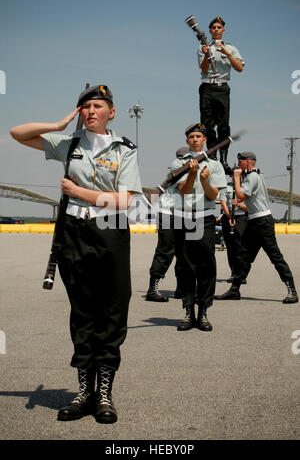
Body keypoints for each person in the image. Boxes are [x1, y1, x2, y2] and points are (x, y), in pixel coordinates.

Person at [10, 84, 143, 423]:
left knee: (112, 313)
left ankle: (105, 396)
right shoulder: (69, 145)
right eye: (85, 107)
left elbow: (126, 201)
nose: (91, 111)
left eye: (98, 106)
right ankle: (84, 393)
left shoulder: (124, 149)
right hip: (74, 235)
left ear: (111, 111)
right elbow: (17, 133)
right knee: (83, 314)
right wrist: (56, 126)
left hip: (110, 234)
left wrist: (78, 190)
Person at [214, 152, 298, 304]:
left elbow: (239, 196)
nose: (238, 163)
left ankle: (291, 289)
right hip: (253, 221)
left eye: (241, 161)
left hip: (262, 222)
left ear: (249, 162)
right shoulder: (253, 175)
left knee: (275, 256)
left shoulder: (252, 177)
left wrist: (237, 178)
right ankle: (234, 290)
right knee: (243, 257)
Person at [171, 122, 227, 331]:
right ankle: (188, 311)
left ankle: (203, 311)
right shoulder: (178, 164)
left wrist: (204, 181)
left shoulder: (214, 166)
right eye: (191, 137)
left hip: (205, 217)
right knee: (185, 265)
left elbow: (214, 195)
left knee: (206, 265)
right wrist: (193, 174)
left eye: (198, 137)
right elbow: (183, 190)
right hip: (184, 217)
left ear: (205, 140)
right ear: (187, 140)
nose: (194, 140)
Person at [197, 16, 244, 171]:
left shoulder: (230, 47)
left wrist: (227, 53)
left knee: (223, 126)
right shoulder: (203, 46)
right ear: (210, 30)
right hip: (207, 87)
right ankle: (212, 156)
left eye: (219, 27)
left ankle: (223, 159)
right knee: (207, 126)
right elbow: (203, 69)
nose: (216, 30)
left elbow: (240, 68)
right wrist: (205, 54)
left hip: (222, 88)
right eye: (213, 27)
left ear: (223, 30)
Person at [145, 147, 188, 302]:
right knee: (166, 249)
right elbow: (183, 189)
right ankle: (152, 288)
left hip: (183, 213)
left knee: (183, 252)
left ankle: (181, 287)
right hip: (168, 211)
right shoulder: (178, 166)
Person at [220, 181, 248, 283]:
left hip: (241, 216)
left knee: (240, 246)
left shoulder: (247, 186)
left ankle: (242, 274)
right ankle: (234, 273)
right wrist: (229, 217)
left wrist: (238, 204)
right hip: (228, 216)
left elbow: (249, 207)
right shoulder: (226, 187)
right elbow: (223, 203)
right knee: (230, 247)